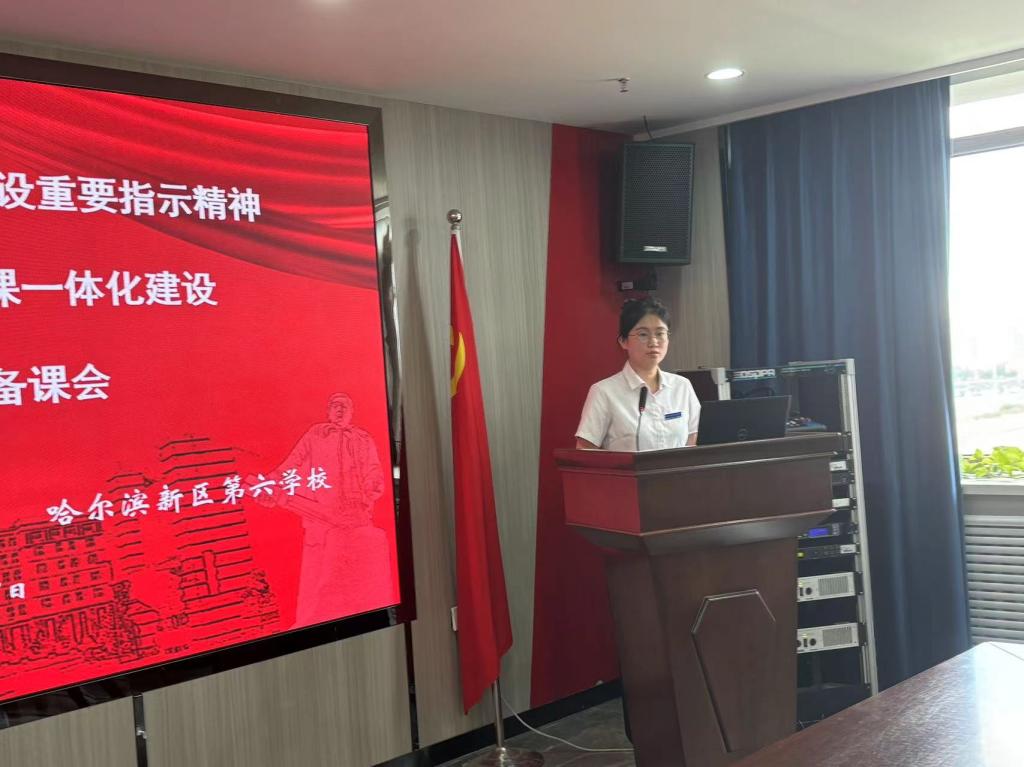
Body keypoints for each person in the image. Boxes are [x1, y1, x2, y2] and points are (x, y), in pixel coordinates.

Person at [261, 392, 391, 626]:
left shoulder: (363, 439)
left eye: (344, 406)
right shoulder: (316, 434)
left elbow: (374, 470)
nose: (339, 410)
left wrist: (371, 486)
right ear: (328, 411)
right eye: (335, 406)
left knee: (356, 580)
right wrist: (269, 483)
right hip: (320, 519)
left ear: (352, 412)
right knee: (315, 577)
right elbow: (293, 463)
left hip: (356, 517)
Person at [575, 297, 701, 451]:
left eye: (660, 333)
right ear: (623, 341)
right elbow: (585, 451)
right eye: (643, 334)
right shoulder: (604, 392)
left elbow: (694, 440)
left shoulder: (682, 386)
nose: (653, 342)